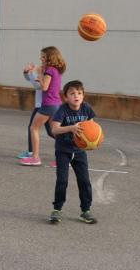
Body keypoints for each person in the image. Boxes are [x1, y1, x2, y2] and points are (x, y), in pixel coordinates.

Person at [49, 80, 97, 224]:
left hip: (80, 151)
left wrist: (93, 140)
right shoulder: (62, 110)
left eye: (79, 93)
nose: (76, 96)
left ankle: (85, 211)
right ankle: (57, 209)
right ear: (66, 97)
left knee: (84, 181)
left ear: (83, 95)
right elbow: (54, 130)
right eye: (72, 93)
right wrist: (71, 128)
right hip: (63, 150)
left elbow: (92, 128)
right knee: (62, 181)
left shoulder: (87, 108)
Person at [20, 46, 65, 166]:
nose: (41, 58)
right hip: (56, 104)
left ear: (50, 57)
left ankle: (35, 157)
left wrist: (40, 73)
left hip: (48, 104)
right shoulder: (56, 70)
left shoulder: (49, 70)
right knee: (54, 132)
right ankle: (67, 156)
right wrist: (35, 73)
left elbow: (44, 87)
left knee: (33, 128)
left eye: (43, 56)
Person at [17, 63, 53, 159]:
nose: (39, 67)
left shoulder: (46, 77)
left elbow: (37, 86)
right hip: (44, 105)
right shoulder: (41, 76)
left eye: (42, 66)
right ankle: (69, 145)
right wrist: (26, 71)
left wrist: (32, 74)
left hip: (42, 106)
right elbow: (29, 79)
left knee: (32, 128)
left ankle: (30, 152)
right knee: (51, 131)